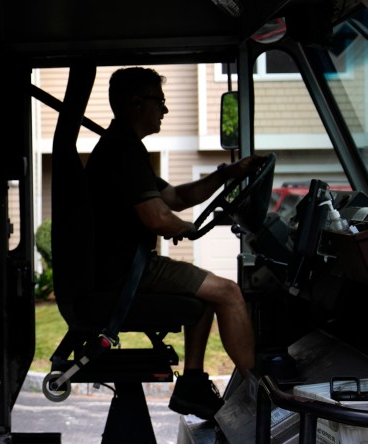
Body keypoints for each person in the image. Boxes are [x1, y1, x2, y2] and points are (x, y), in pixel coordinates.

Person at [85, 66, 261, 421]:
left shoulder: (124, 147)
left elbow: (176, 197)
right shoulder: (124, 150)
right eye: (160, 102)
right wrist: (189, 228)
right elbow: (158, 218)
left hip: (122, 269)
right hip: (128, 274)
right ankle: (262, 393)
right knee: (228, 292)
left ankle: (192, 383)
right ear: (137, 104)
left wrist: (227, 174)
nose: (164, 110)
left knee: (207, 293)